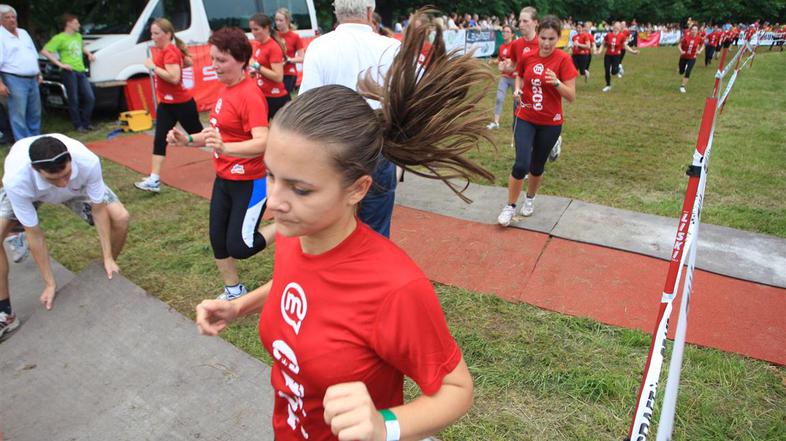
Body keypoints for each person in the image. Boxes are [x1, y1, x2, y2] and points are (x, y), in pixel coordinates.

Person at [194, 12, 488, 439]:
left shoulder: (396, 287)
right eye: (271, 176)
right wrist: (240, 306)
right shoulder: (299, 235)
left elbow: (457, 389)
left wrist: (384, 424)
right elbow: (302, 287)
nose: (274, 204)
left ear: (357, 189)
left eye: (301, 189)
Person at [166, 27, 274, 301]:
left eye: (221, 60)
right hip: (224, 179)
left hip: (250, 182)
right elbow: (215, 135)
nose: (214, 65)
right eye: (213, 59)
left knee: (240, 246)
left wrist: (226, 148)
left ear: (241, 60)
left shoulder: (250, 94)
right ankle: (233, 290)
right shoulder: (226, 90)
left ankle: (287, 227)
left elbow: (263, 141)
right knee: (218, 239)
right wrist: (187, 139)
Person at [0, 134, 129, 337]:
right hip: (31, 194)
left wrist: (107, 256)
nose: (61, 183)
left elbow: (99, 209)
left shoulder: (88, 161)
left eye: (66, 174)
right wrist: (49, 282)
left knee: (120, 218)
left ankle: (107, 268)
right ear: (35, 170)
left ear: (71, 160)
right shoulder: (17, 180)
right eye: (53, 178)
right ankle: (6, 313)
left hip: (78, 190)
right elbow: (35, 233)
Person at [299, 0, 401, 238]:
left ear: (337, 11)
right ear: (369, 11)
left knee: (332, 228)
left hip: (333, 150)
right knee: (375, 231)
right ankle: (370, 271)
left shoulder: (319, 46)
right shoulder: (391, 47)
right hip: (378, 147)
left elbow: (306, 107)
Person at [497, 15, 577, 226]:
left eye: (552, 38)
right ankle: (510, 206)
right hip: (525, 117)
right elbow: (520, 75)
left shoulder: (563, 60)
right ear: (538, 35)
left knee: (537, 165)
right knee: (521, 163)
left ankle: (530, 199)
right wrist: (517, 89)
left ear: (559, 38)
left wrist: (557, 83)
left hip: (551, 122)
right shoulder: (528, 56)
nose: (546, 43)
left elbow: (571, 96)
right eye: (543, 37)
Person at [134, 18, 203, 193]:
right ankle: (154, 179)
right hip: (166, 105)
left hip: (183, 105)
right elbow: (187, 62)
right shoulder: (164, 50)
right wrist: (183, 59)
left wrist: (152, 67)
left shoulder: (170, 51)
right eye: (151, 33)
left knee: (201, 137)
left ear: (168, 34)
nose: (153, 37)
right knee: (159, 140)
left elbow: (174, 78)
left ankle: (231, 158)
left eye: (156, 33)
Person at [40, 13, 96, 133]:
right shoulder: (60, 38)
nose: (79, 25)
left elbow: (81, 47)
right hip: (69, 71)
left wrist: (89, 54)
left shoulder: (78, 36)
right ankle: (78, 125)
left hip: (80, 70)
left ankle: (86, 122)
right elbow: (45, 51)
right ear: (69, 24)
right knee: (73, 98)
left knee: (89, 97)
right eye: (76, 23)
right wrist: (60, 64)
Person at [0, 5, 41, 141]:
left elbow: (33, 54)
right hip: (14, 78)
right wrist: (0, 84)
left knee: (35, 112)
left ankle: (35, 141)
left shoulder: (23, 33)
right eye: (7, 17)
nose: (12, 20)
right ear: (1, 20)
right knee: (18, 115)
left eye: (13, 17)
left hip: (32, 78)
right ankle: (22, 143)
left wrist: (38, 73)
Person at [249, 14, 290, 120]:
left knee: (282, 133)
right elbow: (262, 68)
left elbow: (278, 77)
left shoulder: (273, 47)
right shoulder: (258, 45)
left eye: (256, 29)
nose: (253, 32)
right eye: (251, 29)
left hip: (275, 98)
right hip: (262, 95)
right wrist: (254, 72)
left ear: (266, 28)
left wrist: (256, 66)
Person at [596, 21, 639, 92]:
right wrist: (599, 51)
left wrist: (633, 52)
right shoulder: (608, 35)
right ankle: (608, 85)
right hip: (608, 56)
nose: (615, 28)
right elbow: (603, 44)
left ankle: (619, 70)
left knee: (613, 72)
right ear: (612, 27)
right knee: (607, 70)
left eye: (617, 27)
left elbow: (625, 46)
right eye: (614, 26)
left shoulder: (622, 36)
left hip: (616, 56)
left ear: (620, 28)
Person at [487, 24, 515, 130]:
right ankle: (496, 122)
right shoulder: (502, 47)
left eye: (507, 32)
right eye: (503, 31)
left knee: (517, 101)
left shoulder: (515, 46)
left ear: (512, 34)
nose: (504, 33)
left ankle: (519, 122)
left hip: (515, 77)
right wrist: (493, 61)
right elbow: (500, 59)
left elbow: (519, 60)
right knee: (499, 98)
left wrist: (509, 63)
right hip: (504, 77)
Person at [274, 8, 305, 94]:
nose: (278, 23)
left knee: (285, 97)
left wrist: (289, 60)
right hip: (275, 72)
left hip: (289, 73)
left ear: (287, 21)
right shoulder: (273, 35)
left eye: (281, 20)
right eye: (276, 20)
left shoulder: (295, 37)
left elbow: (302, 58)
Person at [678, 24, 704, 93]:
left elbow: (703, 45)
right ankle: (682, 68)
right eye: (693, 29)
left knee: (688, 71)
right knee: (681, 71)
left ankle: (682, 86)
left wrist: (700, 51)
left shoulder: (699, 38)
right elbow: (679, 45)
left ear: (697, 31)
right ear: (691, 30)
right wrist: (681, 51)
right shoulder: (686, 37)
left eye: (695, 30)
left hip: (692, 57)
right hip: (684, 56)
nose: (694, 31)